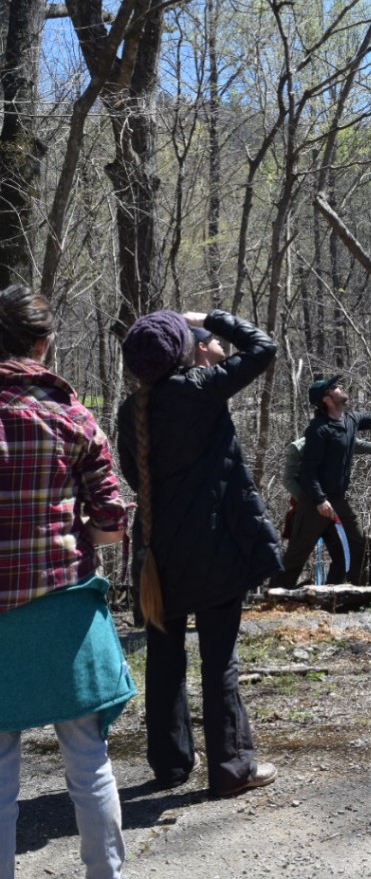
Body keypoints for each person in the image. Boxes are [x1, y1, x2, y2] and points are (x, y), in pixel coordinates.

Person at [116, 308, 282, 798]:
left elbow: (133, 474)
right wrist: (211, 318)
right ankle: (231, 768)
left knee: (164, 661)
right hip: (213, 552)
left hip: (156, 557)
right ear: (182, 351)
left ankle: (170, 765)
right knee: (219, 660)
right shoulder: (199, 390)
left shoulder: (132, 411)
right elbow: (264, 348)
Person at [0, 285, 133, 879]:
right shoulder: (71, 417)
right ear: (45, 341)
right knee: (88, 760)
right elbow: (110, 528)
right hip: (61, 611)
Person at [271, 376, 371, 589]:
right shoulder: (318, 430)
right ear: (327, 399)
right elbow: (308, 472)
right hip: (314, 503)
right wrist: (320, 500)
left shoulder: (350, 419)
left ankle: (344, 596)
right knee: (296, 555)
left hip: (338, 501)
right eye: (335, 387)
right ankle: (273, 598)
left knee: (357, 548)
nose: (341, 387)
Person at [279, 433, 371, 584]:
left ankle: (333, 598)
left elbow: (370, 447)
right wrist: (313, 502)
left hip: (335, 510)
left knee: (348, 555)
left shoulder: (341, 441)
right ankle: (275, 599)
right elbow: (288, 479)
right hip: (308, 512)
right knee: (294, 559)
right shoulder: (299, 447)